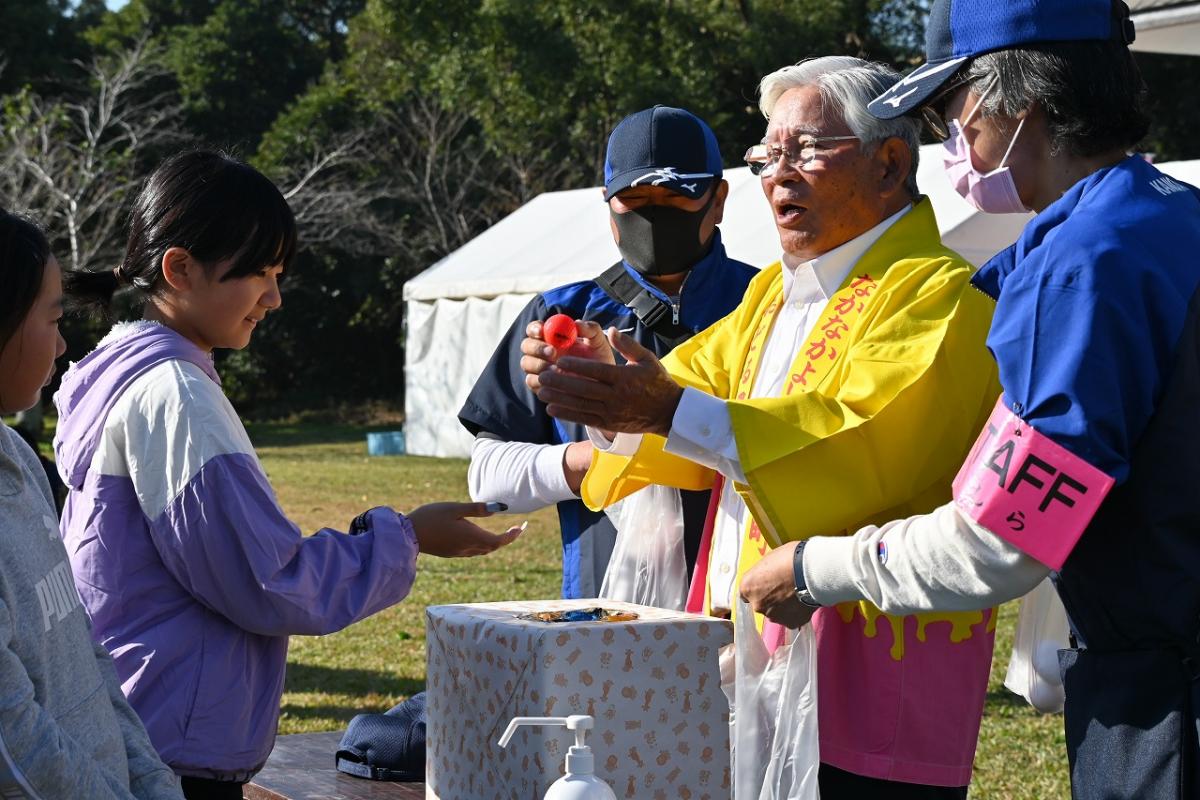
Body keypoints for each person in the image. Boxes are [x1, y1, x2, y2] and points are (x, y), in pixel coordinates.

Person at [741, 2, 1200, 798]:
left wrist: (817, 568)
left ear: (1016, 107)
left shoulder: (1083, 268)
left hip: (1168, 699)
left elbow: (1007, 538)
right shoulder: (1167, 219)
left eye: (952, 114)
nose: (951, 145)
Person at [524, 57, 1001, 797]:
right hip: (756, 648)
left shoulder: (943, 298)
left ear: (891, 163)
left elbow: (859, 440)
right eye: (766, 157)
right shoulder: (771, 298)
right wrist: (606, 381)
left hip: (876, 662)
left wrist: (657, 406)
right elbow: (684, 409)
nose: (779, 176)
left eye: (805, 150)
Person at [53, 151, 523, 800]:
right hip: (168, 749)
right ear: (180, 269)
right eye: (260, 274)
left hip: (133, 717)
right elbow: (269, 581)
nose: (274, 298)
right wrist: (408, 536)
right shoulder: (175, 395)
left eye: (279, 274)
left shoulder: (120, 372)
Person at [460, 105, 757, 600]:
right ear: (608, 204)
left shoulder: (770, 304)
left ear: (719, 199)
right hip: (606, 620)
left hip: (746, 608)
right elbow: (487, 478)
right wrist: (596, 457)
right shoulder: (563, 315)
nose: (654, 214)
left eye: (676, 196)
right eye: (634, 198)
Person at [0, 209, 184, 799]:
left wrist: (153, 781)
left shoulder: (19, 459)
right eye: (52, 319)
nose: (60, 346)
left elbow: (85, 648)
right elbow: (14, 743)